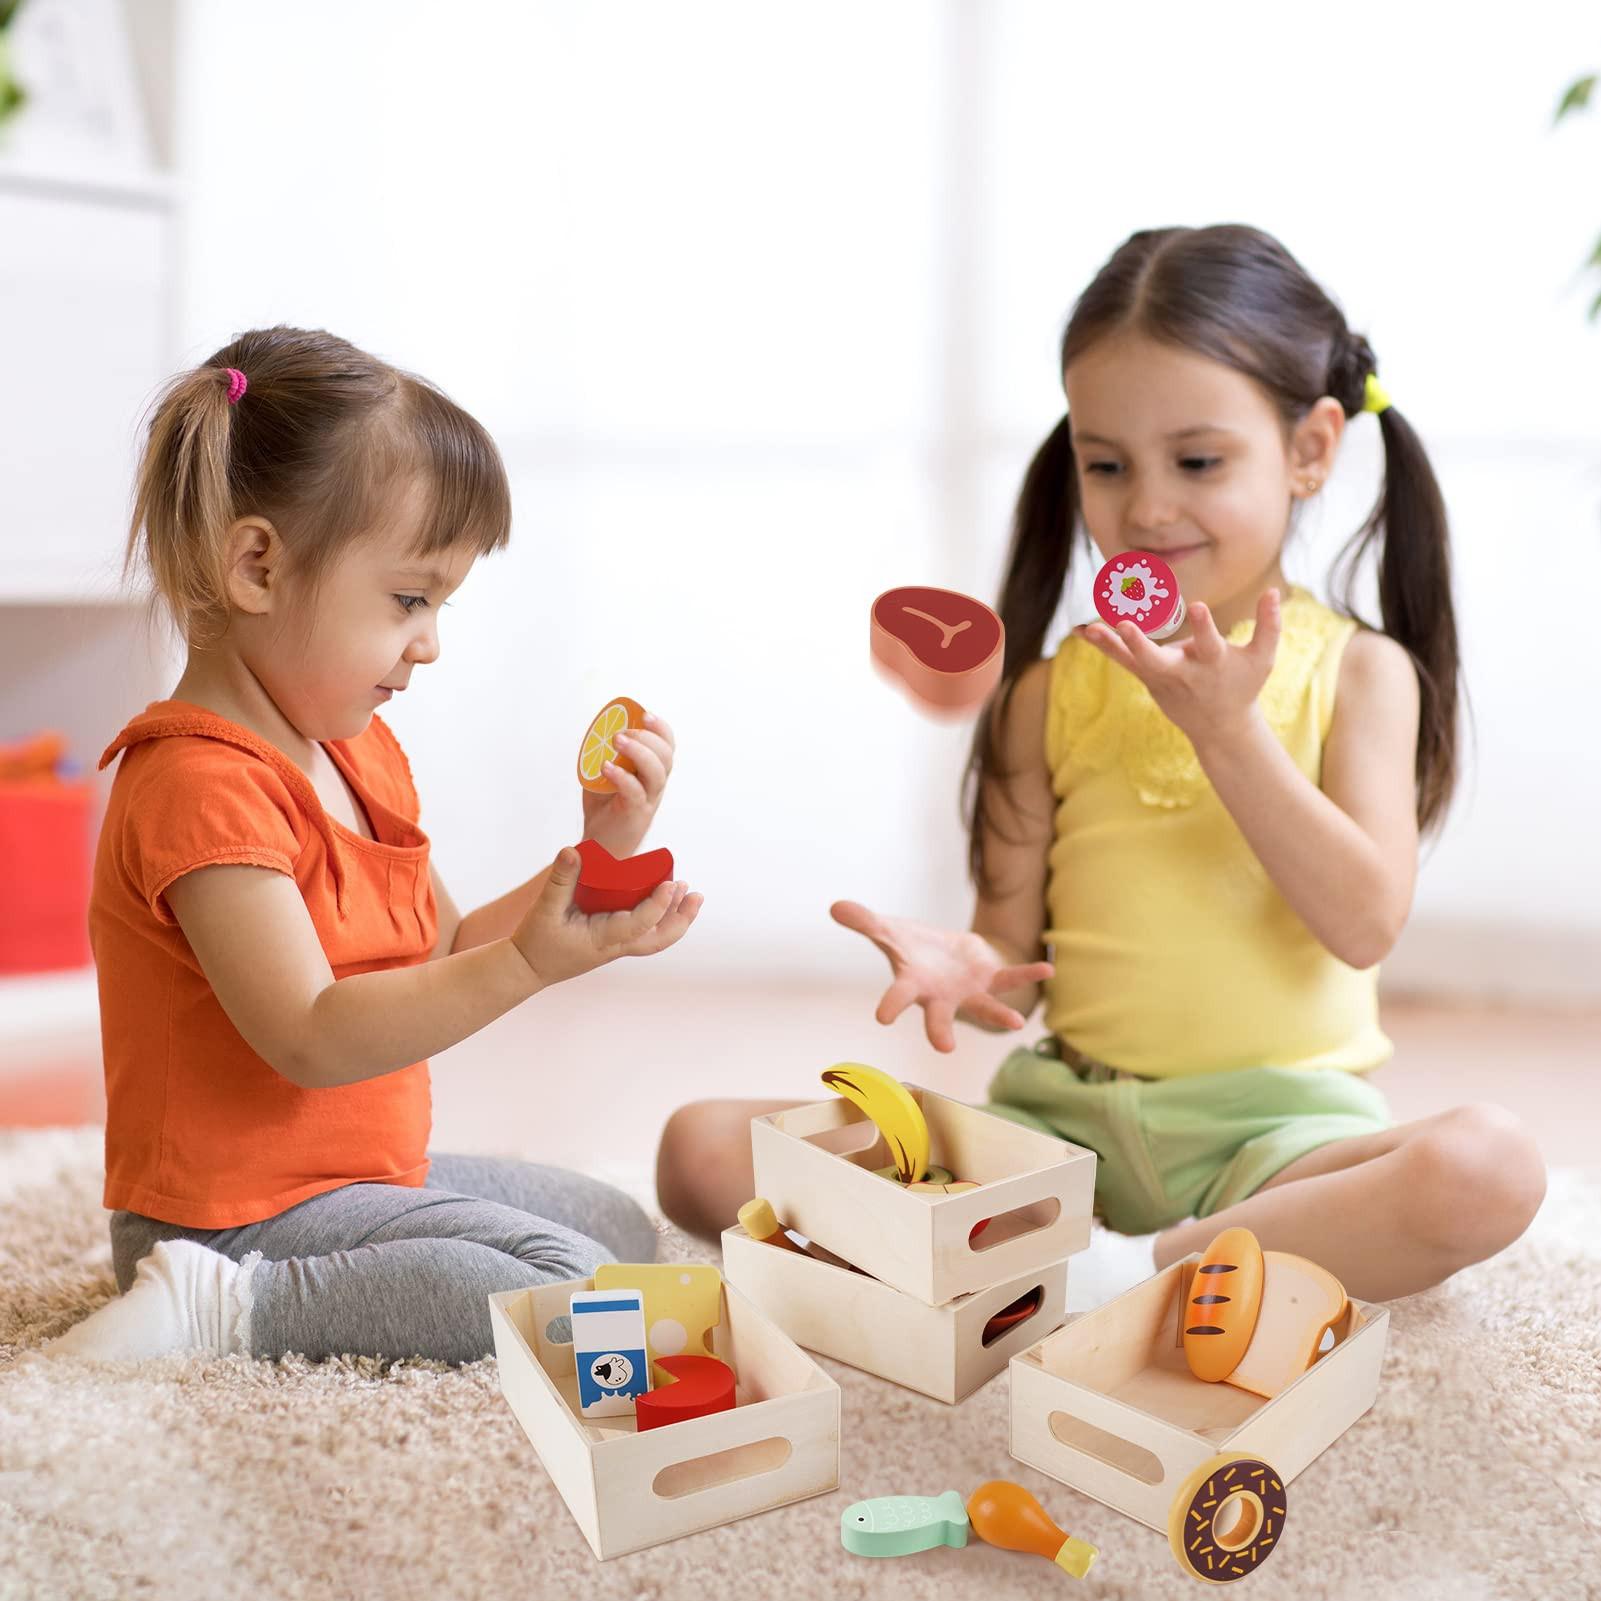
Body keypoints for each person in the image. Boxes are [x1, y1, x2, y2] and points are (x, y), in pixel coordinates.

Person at [656, 225, 1544, 1304]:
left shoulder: (1360, 674)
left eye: (1197, 461)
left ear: (1309, 449)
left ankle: (1136, 1269)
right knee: (699, 1150)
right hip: (1057, 1128)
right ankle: (1111, 1261)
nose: (1146, 506)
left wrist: (1227, 729)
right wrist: (965, 964)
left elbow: (1362, 921)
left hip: (1275, 1139)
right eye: (1106, 464)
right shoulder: (1048, 692)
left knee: (1483, 1170)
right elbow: (1012, 950)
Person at [46, 326, 700, 1365]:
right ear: (257, 564)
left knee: (612, 1225)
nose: (431, 640)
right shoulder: (197, 784)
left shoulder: (357, 754)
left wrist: (588, 859)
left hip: (353, 1177)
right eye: (409, 599)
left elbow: (439, 948)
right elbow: (310, 1032)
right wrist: (528, 962)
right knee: (571, 1281)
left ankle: (317, 1280)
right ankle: (217, 1308)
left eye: (439, 603)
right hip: (228, 1218)